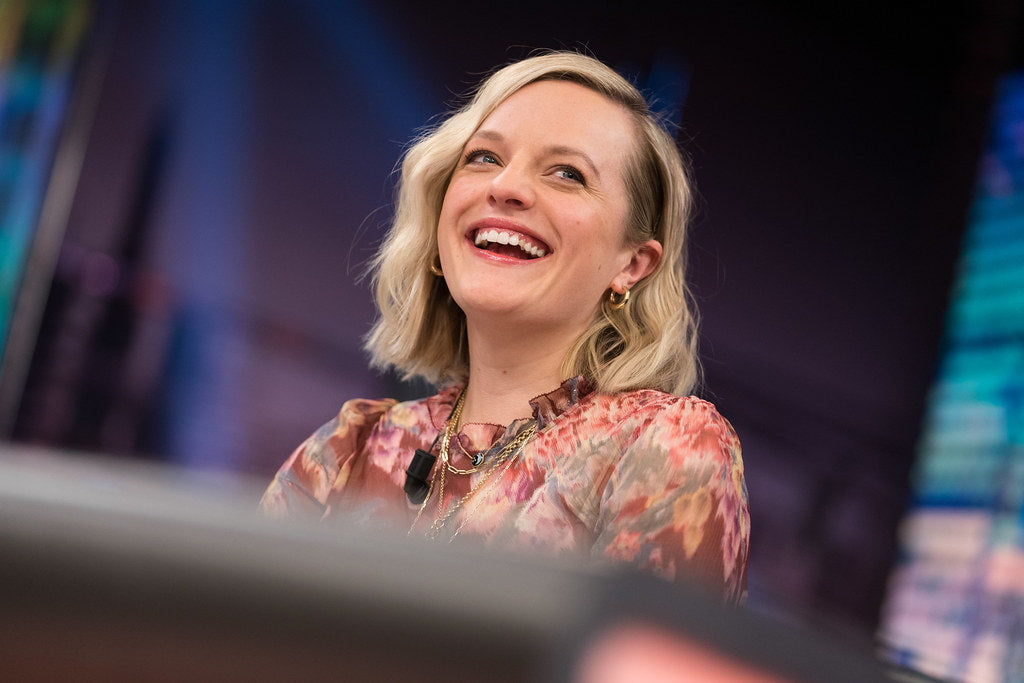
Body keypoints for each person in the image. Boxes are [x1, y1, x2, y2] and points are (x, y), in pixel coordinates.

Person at [260, 51, 749, 604]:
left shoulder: (664, 447)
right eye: (484, 157)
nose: (507, 187)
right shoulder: (346, 452)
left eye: (568, 174)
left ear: (631, 265)